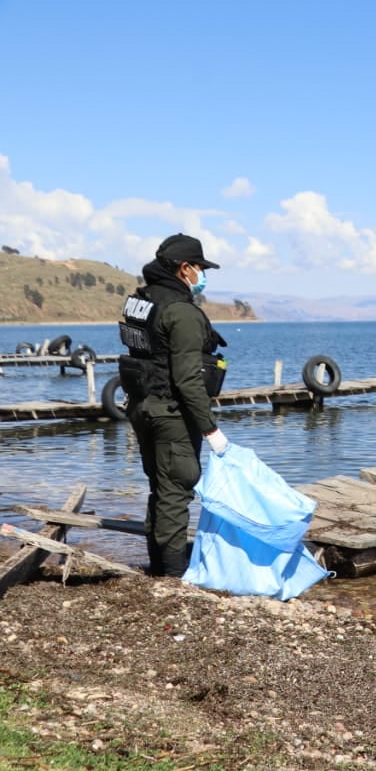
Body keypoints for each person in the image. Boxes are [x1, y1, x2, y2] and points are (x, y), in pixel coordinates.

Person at [117, 234, 230, 577]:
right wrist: (211, 428)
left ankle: (158, 567)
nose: (202, 274)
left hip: (140, 406)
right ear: (184, 269)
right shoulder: (182, 312)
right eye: (200, 267)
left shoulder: (140, 300)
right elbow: (187, 379)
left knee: (160, 487)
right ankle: (173, 575)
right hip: (171, 413)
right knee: (177, 488)